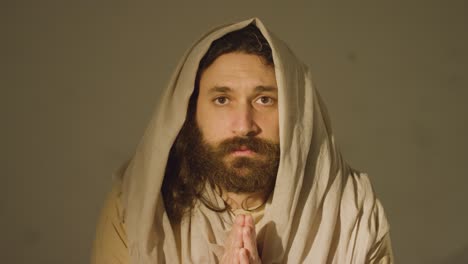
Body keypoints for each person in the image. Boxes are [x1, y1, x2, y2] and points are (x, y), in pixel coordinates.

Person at [91, 18, 394, 263]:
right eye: (222, 100)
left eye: (264, 100)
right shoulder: (138, 204)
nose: (243, 126)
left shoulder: (352, 210)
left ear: (295, 112)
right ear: (191, 111)